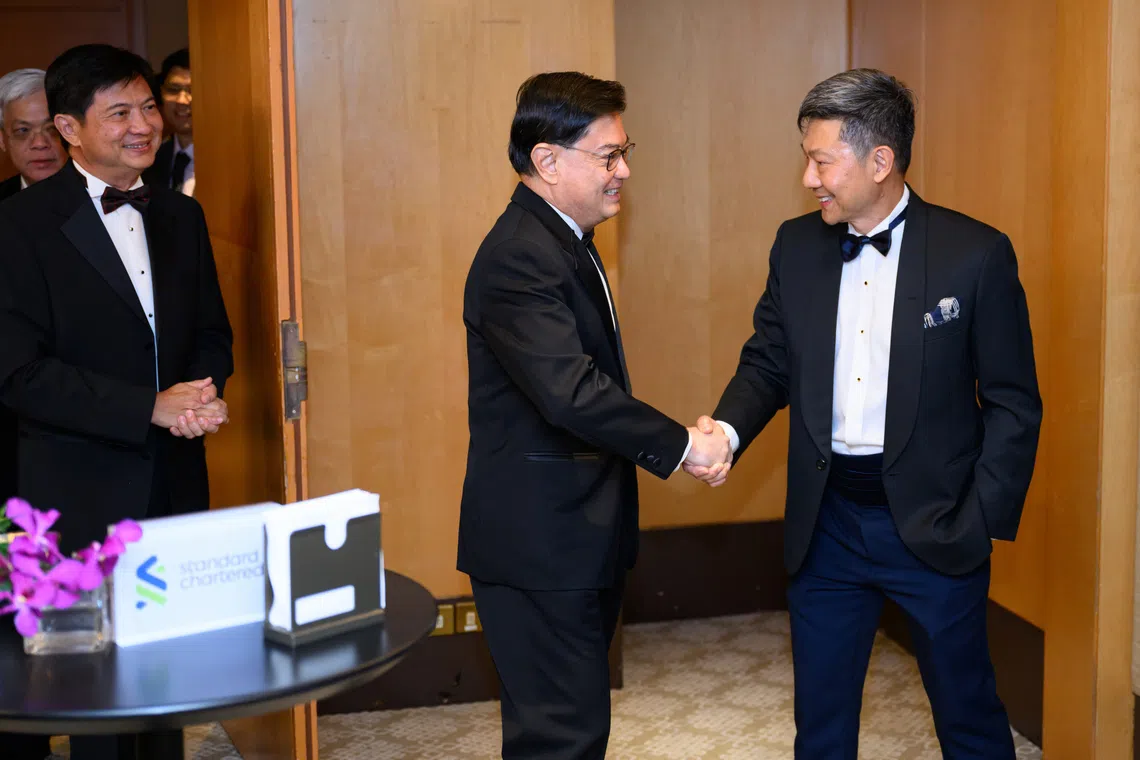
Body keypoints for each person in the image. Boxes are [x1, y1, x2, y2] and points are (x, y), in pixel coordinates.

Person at [687, 68, 1042, 759]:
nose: (808, 179)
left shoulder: (975, 254)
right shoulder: (796, 246)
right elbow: (768, 362)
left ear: (880, 161)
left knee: (968, 716)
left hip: (936, 522)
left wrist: (979, 520)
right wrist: (725, 431)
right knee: (820, 725)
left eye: (821, 162)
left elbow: (1012, 403)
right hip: (827, 525)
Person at [458, 71, 731, 759]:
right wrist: (683, 446)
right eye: (609, 156)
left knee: (572, 730)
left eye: (623, 152)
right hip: (539, 545)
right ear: (547, 161)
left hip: (571, 537)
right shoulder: (520, 256)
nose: (624, 171)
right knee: (561, 739)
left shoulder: (562, 239)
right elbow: (570, 392)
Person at [0, 43, 234, 760]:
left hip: (173, 479)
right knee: (91, 692)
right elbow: (19, 374)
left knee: (165, 681)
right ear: (69, 128)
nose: (144, 125)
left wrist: (200, 394)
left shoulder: (182, 216)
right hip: (76, 491)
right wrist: (147, 406)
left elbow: (211, 333)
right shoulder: (18, 226)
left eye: (148, 107)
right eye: (120, 112)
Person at [0, 68, 67, 201]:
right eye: (23, 130)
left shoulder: (105, 196)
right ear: (2, 140)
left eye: (52, 128)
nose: (40, 143)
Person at [142, 48, 194, 195]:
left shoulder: (229, 159)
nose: (182, 101)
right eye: (173, 89)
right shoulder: (150, 158)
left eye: (192, 90)